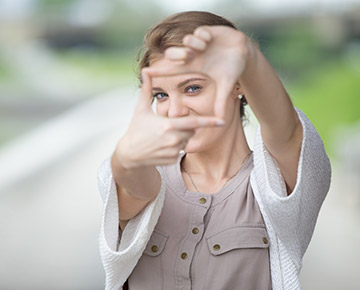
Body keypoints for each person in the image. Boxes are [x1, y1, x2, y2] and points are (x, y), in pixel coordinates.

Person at [97, 11, 331, 290]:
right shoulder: (150, 175)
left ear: (238, 84)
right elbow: (135, 185)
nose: (175, 111)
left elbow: (287, 130)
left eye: (193, 88)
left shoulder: (276, 184)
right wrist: (125, 157)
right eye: (161, 95)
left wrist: (247, 55)